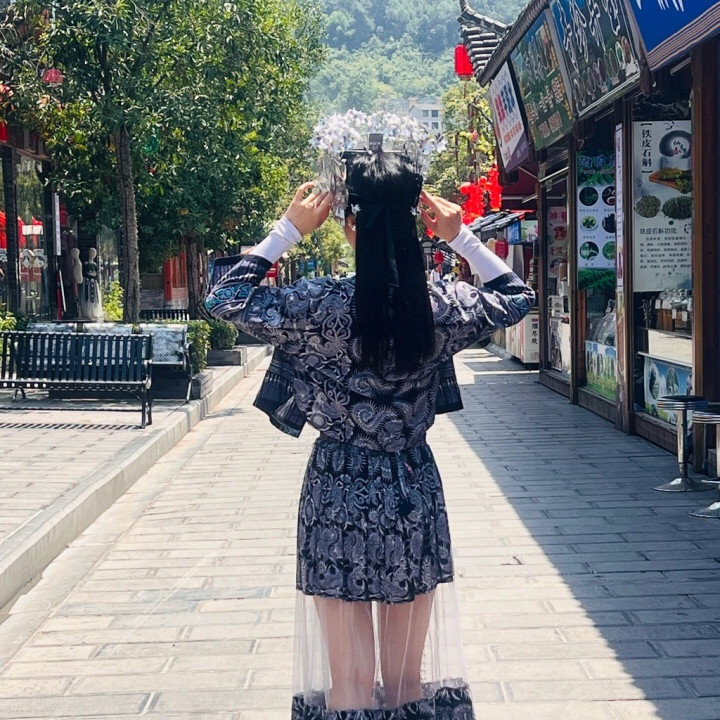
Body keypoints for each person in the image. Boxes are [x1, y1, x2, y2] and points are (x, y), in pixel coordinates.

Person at [206, 115, 534, 719]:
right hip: (411, 486)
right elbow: (517, 298)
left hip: (337, 487)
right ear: (415, 223)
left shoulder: (318, 305)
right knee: (408, 681)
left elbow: (224, 298)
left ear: (349, 223)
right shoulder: (440, 304)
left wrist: (286, 230)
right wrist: (461, 237)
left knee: (349, 682)